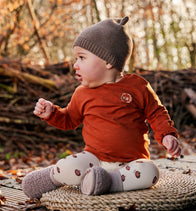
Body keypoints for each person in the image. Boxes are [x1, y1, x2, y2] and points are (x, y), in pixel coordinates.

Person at [22, 16, 181, 199]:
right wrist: (52, 113)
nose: (75, 65)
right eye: (76, 58)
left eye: (82, 58)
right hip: (94, 159)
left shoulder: (138, 86)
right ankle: (53, 177)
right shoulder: (82, 93)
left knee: (150, 172)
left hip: (132, 162)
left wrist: (167, 134)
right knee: (71, 165)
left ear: (108, 61)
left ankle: (109, 182)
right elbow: (69, 120)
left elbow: (156, 112)